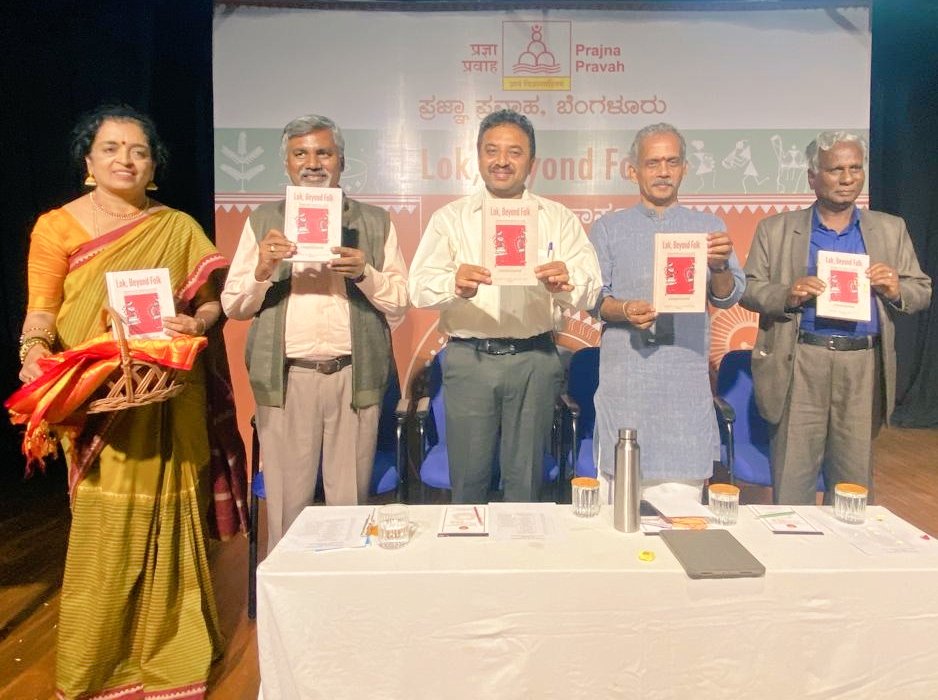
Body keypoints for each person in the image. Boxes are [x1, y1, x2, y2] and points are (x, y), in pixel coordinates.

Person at [14, 104, 244, 699]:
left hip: (168, 394)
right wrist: (33, 351)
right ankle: (100, 666)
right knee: (105, 524)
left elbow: (212, 303)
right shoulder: (57, 227)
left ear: (153, 167)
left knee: (173, 518)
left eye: (139, 151)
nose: (126, 159)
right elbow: (42, 310)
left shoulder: (177, 226)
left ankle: (174, 658)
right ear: (88, 162)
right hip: (100, 398)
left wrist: (196, 322)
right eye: (112, 148)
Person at [222, 114, 408, 549]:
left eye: (323, 153)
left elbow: (400, 300)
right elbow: (234, 306)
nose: (312, 163)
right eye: (300, 154)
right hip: (287, 378)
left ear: (341, 160)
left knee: (351, 505)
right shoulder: (263, 220)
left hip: (353, 376)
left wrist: (365, 273)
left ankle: (347, 589)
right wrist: (263, 269)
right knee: (288, 507)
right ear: (286, 163)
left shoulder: (374, 221)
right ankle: (288, 590)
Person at [408, 110, 601, 504]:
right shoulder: (450, 219)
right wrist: (453, 284)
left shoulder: (558, 219)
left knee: (526, 482)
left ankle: (522, 544)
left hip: (536, 359)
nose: (502, 161)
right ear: (478, 157)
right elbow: (418, 289)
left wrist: (567, 283)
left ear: (532, 162)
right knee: (467, 481)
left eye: (514, 152)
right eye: (492, 150)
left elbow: (590, 289)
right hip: (470, 358)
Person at [741, 131, 931, 504]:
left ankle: (849, 541)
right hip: (800, 359)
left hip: (861, 362)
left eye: (855, 169)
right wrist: (788, 294)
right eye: (836, 170)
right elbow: (747, 288)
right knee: (793, 479)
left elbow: (921, 289)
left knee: (853, 487)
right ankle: (793, 541)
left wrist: (896, 289)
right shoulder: (776, 229)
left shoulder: (889, 228)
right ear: (813, 177)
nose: (847, 179)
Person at [591, 123, 745, 505]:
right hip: (626, 387)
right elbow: (594, 298)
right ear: (633, 171)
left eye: (672, 162)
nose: (663, 172)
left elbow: (727, 297)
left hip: (683, 394)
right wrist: (625, 310)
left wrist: (720, 267)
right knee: (617, 524)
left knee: (683, 521)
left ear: (685, 169)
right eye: (653, 163)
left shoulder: (709, 229)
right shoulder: (608, 229)